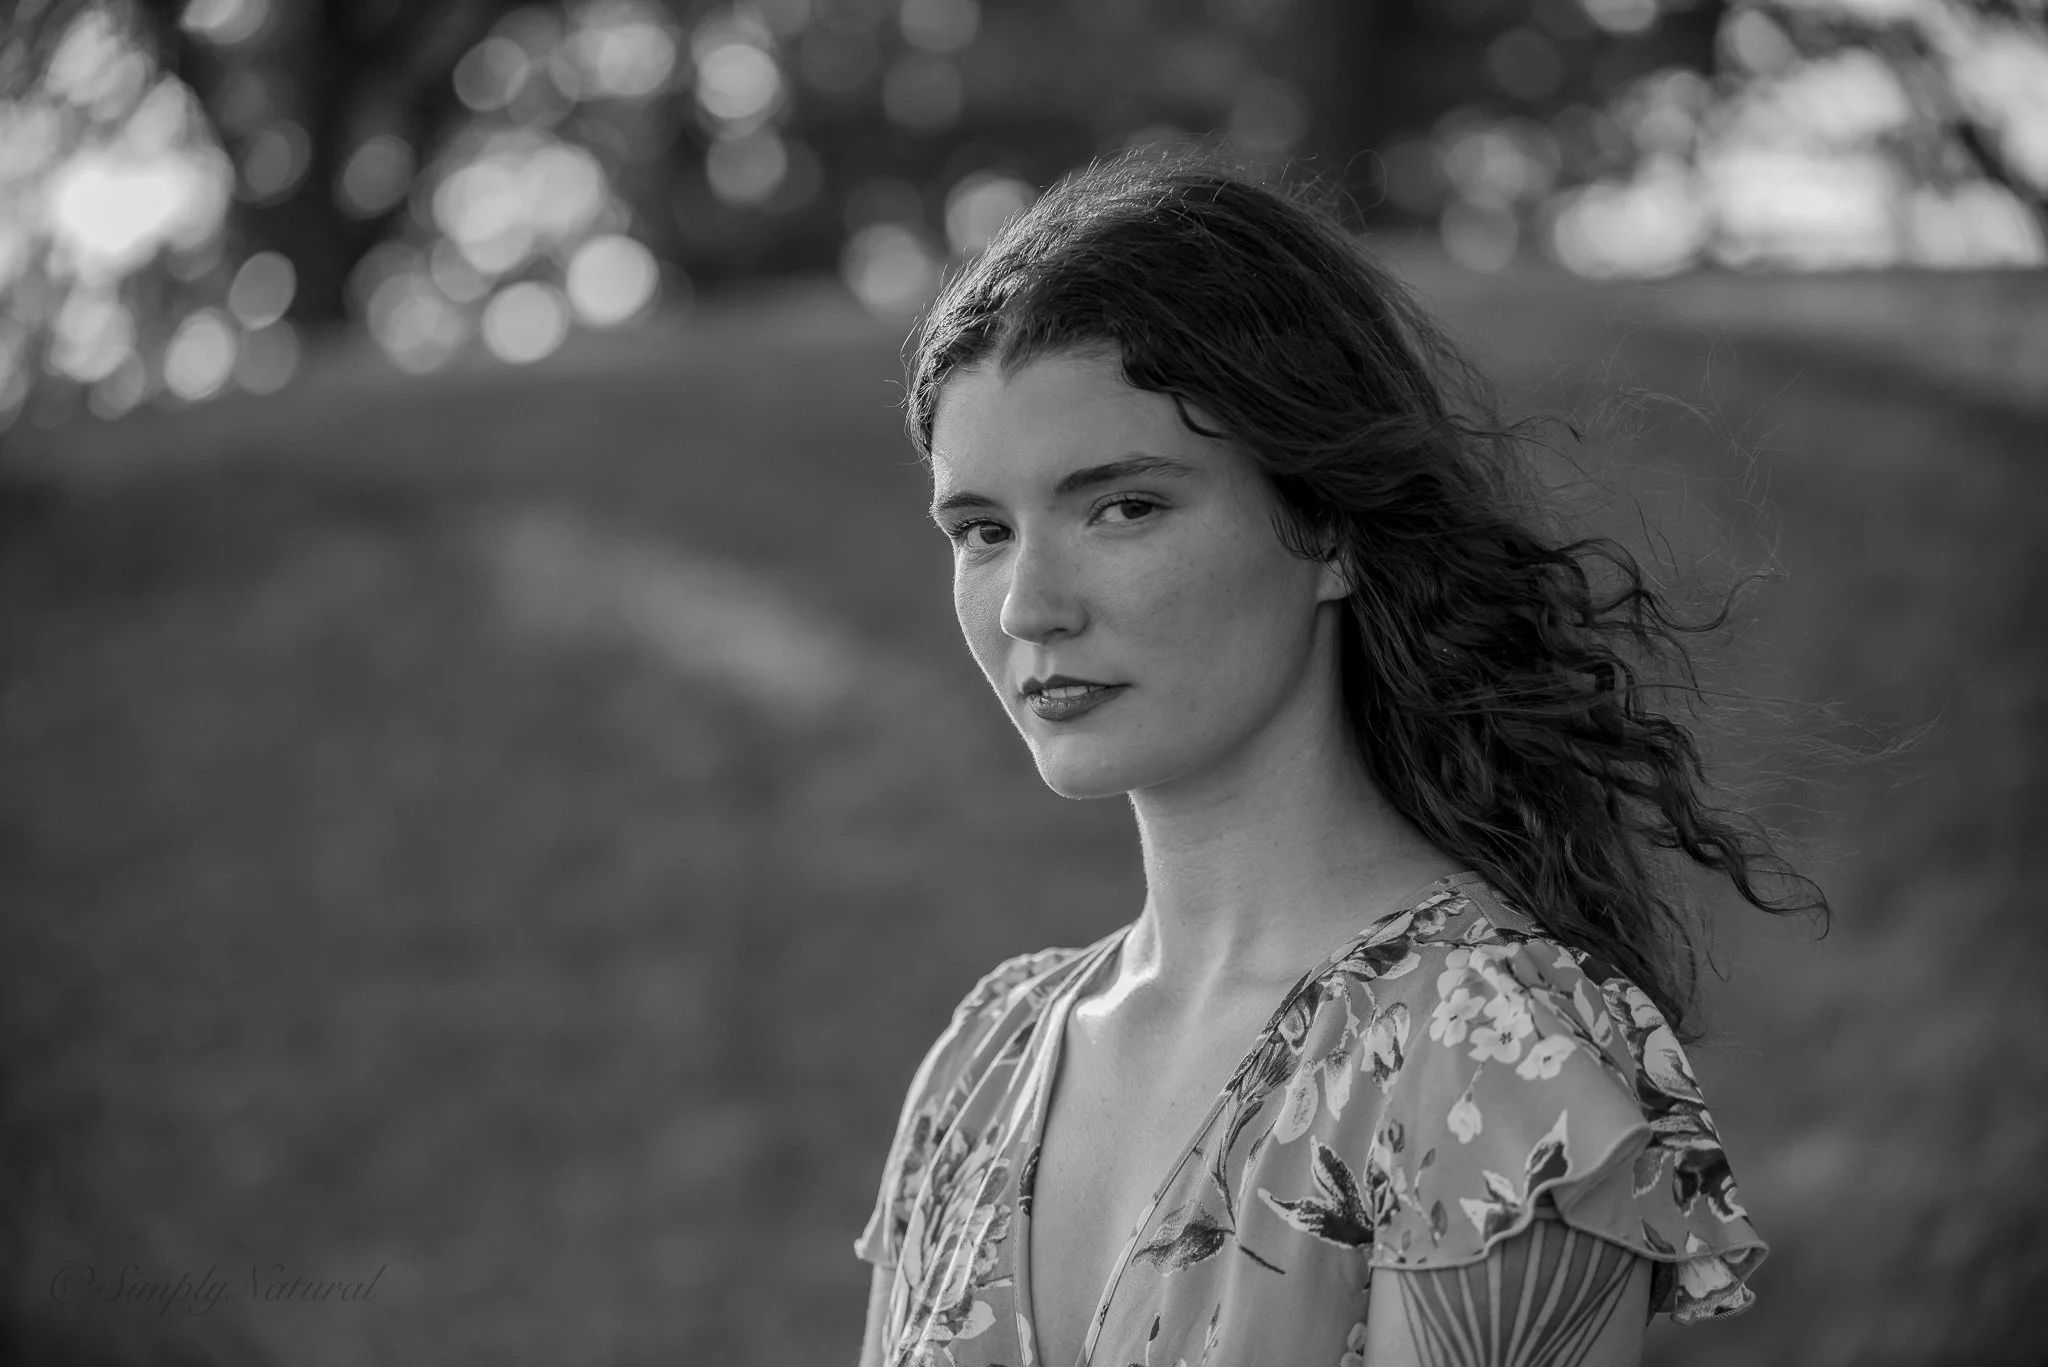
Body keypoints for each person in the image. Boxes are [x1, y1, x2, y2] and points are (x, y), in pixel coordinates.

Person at [853, 148, 1811, 1367]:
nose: (1028, 605)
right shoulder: (983, 1061)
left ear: (1330, 530)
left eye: (1123, 506)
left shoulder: (1480, 1062)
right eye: (980, 530)